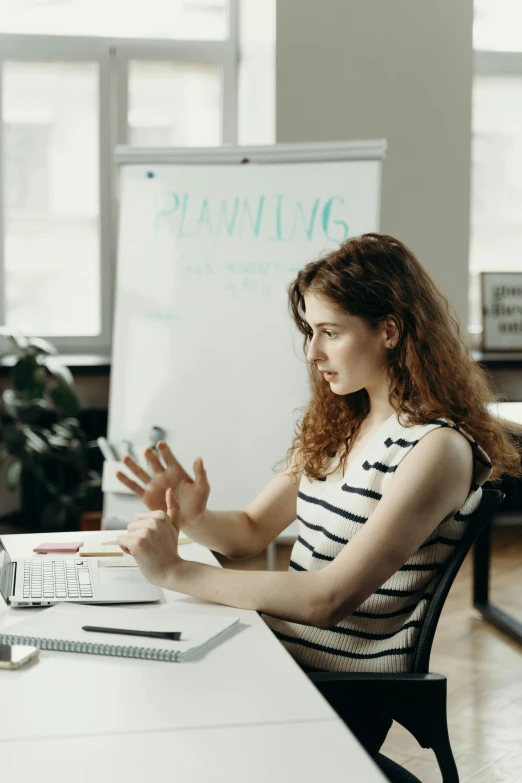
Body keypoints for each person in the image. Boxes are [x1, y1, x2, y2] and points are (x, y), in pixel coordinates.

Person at [116, 232, 522, 756]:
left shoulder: (436, 449)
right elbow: (248, 533)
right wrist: (193, 517)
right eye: (310, 331)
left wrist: (176, 572)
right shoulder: (340, 422)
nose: (312, 352)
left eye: (330, 332)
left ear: (390, 331)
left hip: (327, 688)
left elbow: (327, 600)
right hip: (280, 657)